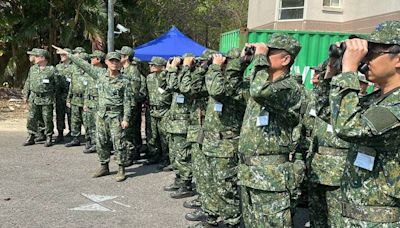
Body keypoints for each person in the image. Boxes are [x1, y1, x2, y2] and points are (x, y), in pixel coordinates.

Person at [328, 21, 400, 227]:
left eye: (372, 53)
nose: (365, 59)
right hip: (353, 214)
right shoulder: (375, 99)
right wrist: (334, 69)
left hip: (379, 220)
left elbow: (348, 127)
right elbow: (328, 113)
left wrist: (350, 70)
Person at [237, 34, 304, 227]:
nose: (263, 56)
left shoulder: (290, 88)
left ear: (285, 59)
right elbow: (226, 89)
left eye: (269, 52)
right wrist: (243, 63)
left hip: (271, 178)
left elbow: (259, 91)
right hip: (249, 173)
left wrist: (259, 58)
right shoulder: (259, 83)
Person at [53, 45, 132, 182]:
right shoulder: (99, 75)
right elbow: (84, 65)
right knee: (101, 142)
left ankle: (121, 168)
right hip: (101, 115)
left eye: (116, 61)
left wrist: (126, 118)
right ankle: (104, 166)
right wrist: (69, 55)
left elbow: (127, 102)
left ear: (120, 63)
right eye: (111, 61)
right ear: (106, 62)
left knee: (119, 143)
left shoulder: (124, 81)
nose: (114, 63)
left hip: (116, 116)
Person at [193, 49, 247, 227]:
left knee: (226, 189)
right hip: (209, 141)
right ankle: (211, 218)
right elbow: (193, 88)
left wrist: (216, 68)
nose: (223, 64)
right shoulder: (215, 79)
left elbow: (218, 91)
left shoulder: (239, 86)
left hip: (226, 144)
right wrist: (204, 68)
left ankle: (232, 222)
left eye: (227, 62)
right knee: (208, 184)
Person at [165, 53, 196, 199]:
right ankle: (178, 180)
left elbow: (178, 87)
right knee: (174, 155)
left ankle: (186, 184)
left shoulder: (191, 78)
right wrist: (171, 69)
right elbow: (169, 85)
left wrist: (183, 68)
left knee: (183, 156)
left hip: (183, 125)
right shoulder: (182, 76)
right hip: (174, 124)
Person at [22, 49, 58, 147]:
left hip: (46, 98)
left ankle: (48, 136)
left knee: (47, 118)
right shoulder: (33, 68)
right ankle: (31, 136)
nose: (35, 58)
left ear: (43, 58)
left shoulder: (52, 69)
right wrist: (25, 95)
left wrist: (54, 96)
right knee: (31, 118)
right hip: (34, 97)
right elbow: (28, 82)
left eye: (37, 56)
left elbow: (57, 84)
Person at [119, 46, 146, 165]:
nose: (119, 58)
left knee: (129, 131)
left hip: (131, 104)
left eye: (121, 56)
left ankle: (130, 155)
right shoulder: (123, 70)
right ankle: (133, 153)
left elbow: (134, 91)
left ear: (126, 57)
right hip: (126, 103)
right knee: (130, 131)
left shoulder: (132, 70)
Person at [143, 57, 171, 165]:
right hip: (152, 110)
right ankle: (154, 155)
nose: (151, 67)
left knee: (164, 135)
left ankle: (166, 157)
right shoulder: (149, 78)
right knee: (152, 135)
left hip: (164, 110)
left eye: (154, 65)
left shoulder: (167, 77)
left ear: (162, 67)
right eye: (151, 65)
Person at [82, 50, 105, 153]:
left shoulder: (104, 72)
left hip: (99, 102)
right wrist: (86, 102)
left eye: (93, 58)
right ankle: (92, 142)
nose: (91, 60)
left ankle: (98, 144)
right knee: (90, 123)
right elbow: (87, 89)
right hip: (90, 102)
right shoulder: (90, 73)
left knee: (98, 125)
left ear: (98, 59)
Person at [65, 47, 89, 147]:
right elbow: (72, 85)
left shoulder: (90, 72)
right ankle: (75, 138)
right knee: (75, 120)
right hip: (75, 99)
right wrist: (68, 98)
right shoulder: (75, 70)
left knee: (87, 121)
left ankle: (89, 140)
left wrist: (87, 102)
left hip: (85, 100)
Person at [55, 48, 74, 143]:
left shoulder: (73, 67)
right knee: (60, 115)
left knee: (71, 115)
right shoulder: (58, 67)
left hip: (70, 95)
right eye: (61, 55)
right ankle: (60, 133)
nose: (61, 57)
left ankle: (72, 133)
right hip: (60, 95)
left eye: (64, 55)